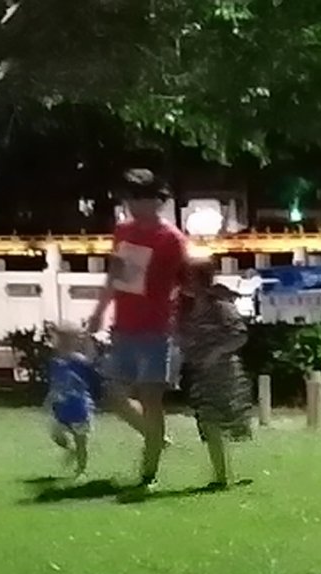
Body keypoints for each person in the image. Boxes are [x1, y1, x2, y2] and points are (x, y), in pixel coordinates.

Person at [85, 169, 190, 485]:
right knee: (113, 393)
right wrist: (99, 311)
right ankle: (155, 438)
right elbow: (115, 276)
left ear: (156, 201)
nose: (131, 204)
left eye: (138, 198)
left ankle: (148, 473)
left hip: (157, 329)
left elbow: (186, 283)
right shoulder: (123, 232)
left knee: (150, 399)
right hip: (124, 326)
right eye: (129, 198)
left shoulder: (171, 239)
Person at [175, 254, 253, 491]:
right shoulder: (185, 310)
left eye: (188, 278)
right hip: (200, 376)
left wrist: (216, 352)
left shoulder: (220, 307)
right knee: (209, 423)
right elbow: (180, 337)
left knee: (229, 424)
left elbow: (239, 335)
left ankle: (228, 474)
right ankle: (222, 476)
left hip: (225, 375)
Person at [42, 324, 105, 477]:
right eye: (59, 340)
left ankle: (81, 470)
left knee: (81, 441)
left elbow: (92, 374)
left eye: (65, 340)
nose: (60, 344)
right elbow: (54, 383)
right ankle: (71, 451)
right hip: (61, 408)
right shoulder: (55, 362)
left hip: (79, 408)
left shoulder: (79, 361)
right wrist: (50, 399)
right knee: (57, 436)